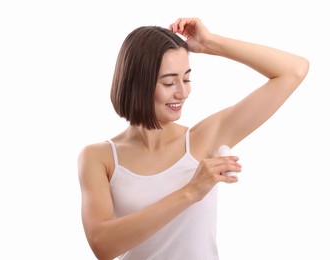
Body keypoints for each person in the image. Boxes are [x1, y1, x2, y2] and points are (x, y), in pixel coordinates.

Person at [78, 17, 309, 260]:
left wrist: (212, 43)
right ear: (137, 84)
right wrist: (191, 192)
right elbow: (102, 245)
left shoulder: (204, 138)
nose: (183, 92)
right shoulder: (99, 158)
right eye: (169, 82)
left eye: (186, 79)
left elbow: (294, 70)